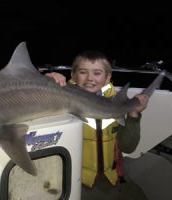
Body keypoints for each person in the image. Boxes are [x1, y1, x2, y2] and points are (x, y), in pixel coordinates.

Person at [45, 50, 149, 200]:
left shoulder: (114, 105)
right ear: (73, 76)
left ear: (108, 78)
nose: (90, 78)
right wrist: (48, 83)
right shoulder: (61, 98)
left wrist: (133, 115)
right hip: (75, 181)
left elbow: (128, 147)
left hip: (110, 180)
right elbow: (40, 98)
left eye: (97, 73)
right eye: (83, 72)